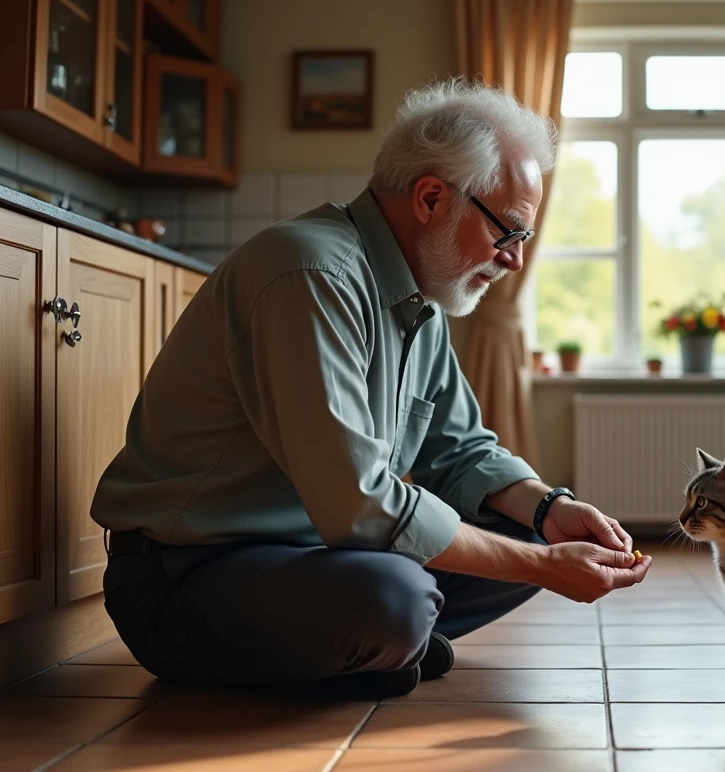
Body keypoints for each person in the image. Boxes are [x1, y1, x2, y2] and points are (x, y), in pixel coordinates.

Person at [91, 78, 652, 697]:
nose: (515, 260)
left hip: (314, 562)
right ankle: (386, 641)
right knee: (400, 597)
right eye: (509, 233)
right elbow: (358, 504)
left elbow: (463, 450)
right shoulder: (310, 274)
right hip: (187, 577)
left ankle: (377, 649)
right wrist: (545, 568)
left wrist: (550, 511)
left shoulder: (422, 303)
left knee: (524, 532)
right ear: (432, 198)